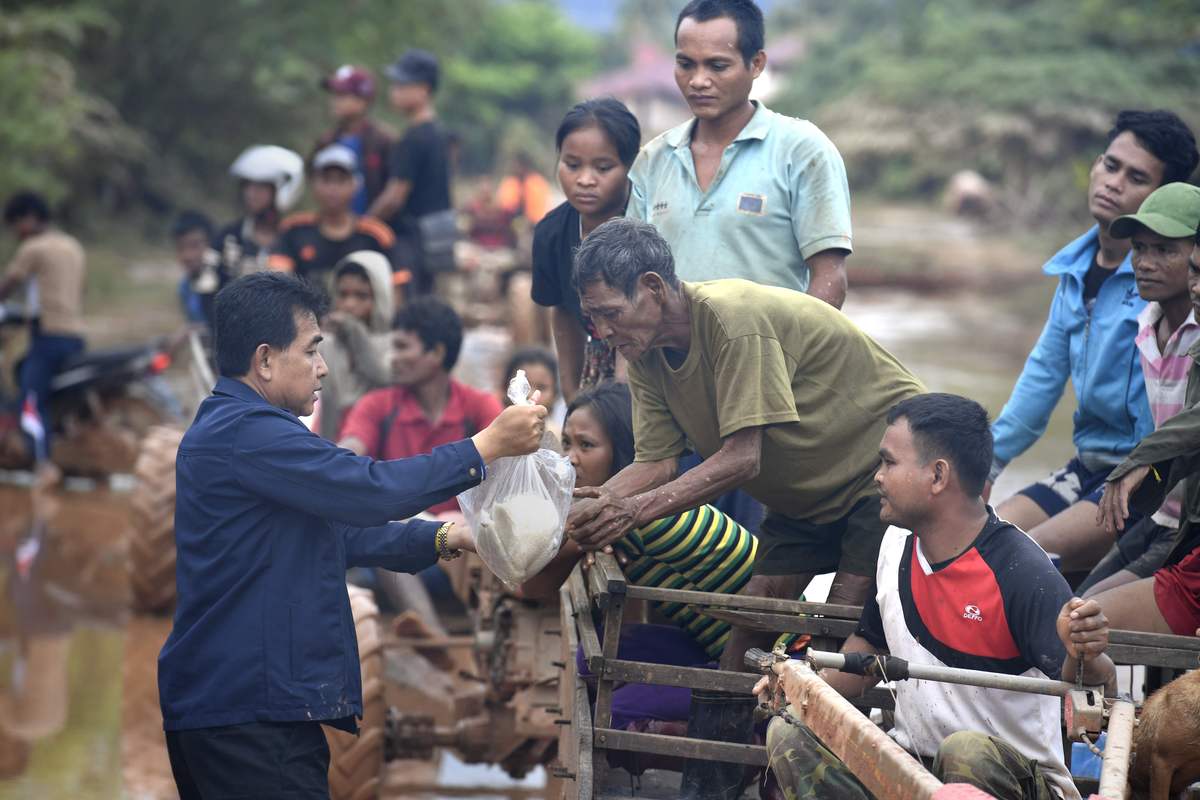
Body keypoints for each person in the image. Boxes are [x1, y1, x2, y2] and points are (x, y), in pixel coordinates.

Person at [565, 218, 923, 795]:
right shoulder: (649, 355)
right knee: (748, 623)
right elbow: (656, 461)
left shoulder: (731, 322)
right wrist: (591, 502)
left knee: (835, 630)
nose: (604, 331)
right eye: (593, 318)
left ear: (654, 289)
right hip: (801, 490)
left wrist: (632, 512)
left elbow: (742, 458)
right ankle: (713, 782)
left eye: (610, 313)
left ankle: (807, 781)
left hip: (872, 472)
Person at [156, 272, 547, 799]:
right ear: (266, 359)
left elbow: (341, 537)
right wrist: (483, 447)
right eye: (312, 350)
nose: (323, 368)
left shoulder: (245, 430)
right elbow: (371, 491)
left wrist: (449, 537)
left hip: (243, 706)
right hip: (250, 714)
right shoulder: (249, 434)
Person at [758, 393, 1116, 800]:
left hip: (1006, 781)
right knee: (791, 732)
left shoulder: (1021, 570)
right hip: (913, 773)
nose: (877, 476)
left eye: (889, 462)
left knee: (964, 751)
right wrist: (800, 686)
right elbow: (870, 646)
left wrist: (1085, 652)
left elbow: (1096, 687)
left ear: (938, 476)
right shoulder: (893, 546)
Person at [988, 110, 1198, 575]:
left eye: (1137, 176)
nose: (1113, 182)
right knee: (982, 544)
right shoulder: (1074, 270)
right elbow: (1040, 381)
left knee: (1021, 561)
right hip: (1087, 464)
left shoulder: (1165, 288)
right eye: (1110, 165)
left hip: (1145, 476)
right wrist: (987, 464)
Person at [521, 383, 756, 745]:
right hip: (716, 648)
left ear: (625, 454)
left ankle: (750, 739)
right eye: (566, 443)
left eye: (586, 445)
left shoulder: (632, 513)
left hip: (760, 666)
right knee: (589, 660)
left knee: (612, 717)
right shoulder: (635, 505)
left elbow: (533, 584)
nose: (569, 458)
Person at [626, 0, 852, 308]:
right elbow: (634, 278)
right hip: (671, 356)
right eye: (686, 64)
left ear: (756, 64)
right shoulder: (653, 160)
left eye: (717, 66)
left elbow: (830, 280)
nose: (698, 81)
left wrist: (790, 354)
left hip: (769, 354)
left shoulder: (802, 151)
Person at [1078, 183, 1200, 597]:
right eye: (1139, 249)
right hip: (1159, 513)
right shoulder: (1147, 324)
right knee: (1074, 601)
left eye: (1165, 250)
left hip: (1188, 524)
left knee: (1086, 612)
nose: (1145, 263)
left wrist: (1139, 460)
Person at [338, 297, 502, 516]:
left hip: (466, 538)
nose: (392, 358)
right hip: (396, 536)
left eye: (401, 347)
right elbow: (351, 448)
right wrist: (338, 460)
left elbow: (503, 478)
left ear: (437, 353)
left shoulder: (480, 407)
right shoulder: (376, 405)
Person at [532, 98, 641, 402]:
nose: (585, 180)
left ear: (630, 166)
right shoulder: (551, 233)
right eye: (572, 165)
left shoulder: (647, 224)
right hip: (599, 362)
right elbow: (563, 313)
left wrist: (621, 400)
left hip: (653, 364)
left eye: (603, 167)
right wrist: (571, 394)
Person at [0, 192, 86, 485]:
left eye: (16, 224)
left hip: (48, 336)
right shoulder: (72, 245)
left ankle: (43, 464)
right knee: (27, 373)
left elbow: (9, 283)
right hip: (74, 335)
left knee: (30, 400)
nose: (16, 232)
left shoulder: (34, 247)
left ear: (29, 218)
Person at [368, 49, 453, 296]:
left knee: (411, 300)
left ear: (424, 89)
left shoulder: (413, 138)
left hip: (414, 238)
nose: (394, 91)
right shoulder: (437, 132)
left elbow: (395, 197)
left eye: (402, 84)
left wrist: (363, 225)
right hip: (436, 236)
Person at [269, 144, 397, 295]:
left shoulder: (377, 236)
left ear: (356, 185)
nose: (333, 188)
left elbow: (393, 290)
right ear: (313, 184)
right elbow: (277, 282)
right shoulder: (293, 229)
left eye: (341, 180)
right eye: (326, 180)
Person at [315, 251, 393, 442]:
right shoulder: (324, 345)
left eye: (361, 296)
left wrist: (354, 332)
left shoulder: (394, 344)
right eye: (343, 295)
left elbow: (382, 376)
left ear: (381, 297)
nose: (349, 304)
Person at [313, 65, 394, 216]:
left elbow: (393, 190)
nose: (334, 101)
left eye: (342, 95)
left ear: (363, 100)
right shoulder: (326, 142)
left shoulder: (384, 141)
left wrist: (367, 226)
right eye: (334, 95)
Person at [215, 145, 305, 276]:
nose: (250, 194)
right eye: (247, 185)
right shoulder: (230, 238)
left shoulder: (299, 241)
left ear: (281, 188)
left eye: (260, 186)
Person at [172, 210, 227, 336]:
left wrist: (190, 332)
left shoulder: (227, 282)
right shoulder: (185, 287)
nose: (187, 255)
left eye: (194, 246)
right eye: (181, 248)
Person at [501, 346, 565, 437]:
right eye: (522, 386)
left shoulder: (559, 438)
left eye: (541, 387)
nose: (531, 394)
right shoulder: (490, 435)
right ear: (505, 388)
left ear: (555, 394)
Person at [496, 153, 552, 227]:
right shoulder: (509, 183)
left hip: (534, 225)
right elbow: (504, 206)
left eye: (518, 166)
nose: (516, 169)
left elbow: (540, 211)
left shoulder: (537, 183)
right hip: (511, 224)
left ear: (525, 166)